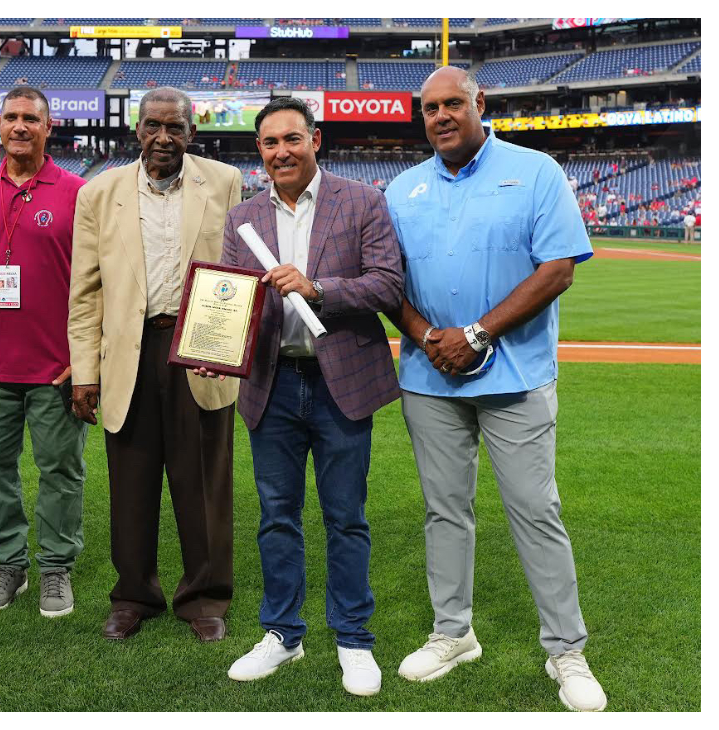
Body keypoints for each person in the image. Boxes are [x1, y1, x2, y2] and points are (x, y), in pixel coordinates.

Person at [384, 67, 607, 712]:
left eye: (454, 103)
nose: (442, 116)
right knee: (444, 511)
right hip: (430, 377)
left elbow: (559, 268)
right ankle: (453, 633)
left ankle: (566, 647)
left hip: (516, 374)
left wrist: (477, 333)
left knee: (536, 511)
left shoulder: (535, 170)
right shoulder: (404, 189)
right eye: (429, 108)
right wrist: (430, 336)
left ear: (481, 104)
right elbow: (386, 281)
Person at [214, 97, 403, 696]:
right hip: (272, 382)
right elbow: (230, 297)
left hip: (339, 381)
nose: (281, 152)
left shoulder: (362, 200)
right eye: (270, 144)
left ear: (315, 140)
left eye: (292, 139)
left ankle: (352, 637)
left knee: (345, 517)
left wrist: (318, 288)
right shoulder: (243, 217)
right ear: (260, 152)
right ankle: (283, 635)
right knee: (277, 518)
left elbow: (387, 284)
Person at [68, 87, 242, 643]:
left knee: (203, 485)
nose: (163, 137)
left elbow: (237, 276)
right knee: (131, 483)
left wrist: (228, 348)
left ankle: (204, 597)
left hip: (200, 353)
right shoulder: (100, 192)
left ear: (192, 132)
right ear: (136, 130)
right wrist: (84, 371)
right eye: (153, 126)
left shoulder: (222, 182)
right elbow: (85, 292)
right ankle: (134, 595)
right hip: (129, 354)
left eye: (175, 127)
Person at [0, 87, 89, 617]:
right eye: (11, 117)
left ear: (49, 127)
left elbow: (98, 284)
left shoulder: (79, 192)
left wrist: (87, 359)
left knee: (61, 469)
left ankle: (55, 568)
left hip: (57, 365)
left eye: (31, 118)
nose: (20, 126)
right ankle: (8, 565)